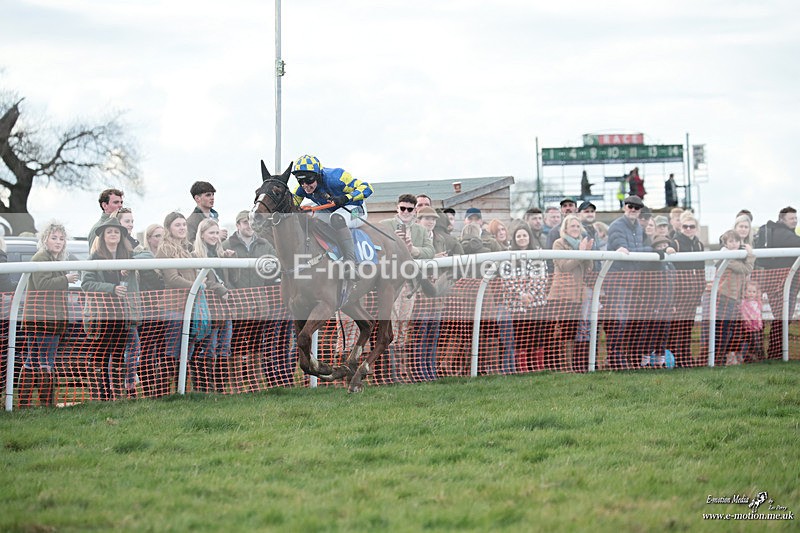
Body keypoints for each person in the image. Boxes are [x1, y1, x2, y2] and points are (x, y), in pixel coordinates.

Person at [223, 210, 292, 389]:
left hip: (259, 302)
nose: (249, 226)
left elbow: (276, 266)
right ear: (238, 225)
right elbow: (223, 274)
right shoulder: (227, 245)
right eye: (245, 222)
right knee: (237, 343)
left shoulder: (265, 244)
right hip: (237, 302)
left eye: (251, 222)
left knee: (255, 342)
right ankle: (236, 382)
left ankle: (254, 380)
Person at [19, 222, 80, 407]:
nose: (58, 242)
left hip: (46, 319)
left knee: (35, 359)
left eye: (61, 239)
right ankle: (44, 404)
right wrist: (66, 279)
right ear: (45, 239)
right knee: (43, 360)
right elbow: (43, 285)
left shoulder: (55, 260)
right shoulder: (41, 258)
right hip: (43, 319)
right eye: (54, 238)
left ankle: (25, 403)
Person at [81, 218, 138, 400]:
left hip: (123, 313)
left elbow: (147, 257)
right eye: (109, 231)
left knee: (120, 354)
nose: (113, 234)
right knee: (102, 355)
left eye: (116, 231)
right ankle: (103, 395)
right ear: (103, 236)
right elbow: (87, 283)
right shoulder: (95, 257)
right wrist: (111, 288)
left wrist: (128, 269)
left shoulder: (128, 257)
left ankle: (118, 394)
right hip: (102, 314)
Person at [291, 155, 373, 279]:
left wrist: (346, 197)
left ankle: (351, 263)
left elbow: (368, 188)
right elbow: (291, 205)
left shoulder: (336, 177)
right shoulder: (301, 189)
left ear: (318, 175)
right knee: (309, 218)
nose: (305, 185)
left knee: (337, 218)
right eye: (300, 181)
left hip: (357, 211)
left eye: (308, 180)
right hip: (330, 211)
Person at [605, 195, 652, 369]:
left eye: (636, 208)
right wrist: (652, 250)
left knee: (627, 320)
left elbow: (635, 250)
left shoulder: (639, 227)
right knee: (619, 320)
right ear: (625, 207)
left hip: (632, 281)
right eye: (630, 206)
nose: (633, 210)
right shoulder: (617, 226)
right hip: (618, 281)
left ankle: (621, 356)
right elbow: (625, 251)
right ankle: (614, 357)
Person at [548, 215, 593, 372]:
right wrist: (580, 253)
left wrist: (587, 253)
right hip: (562, 293)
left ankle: (571, 366)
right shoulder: (559, 243)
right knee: (562, 331)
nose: (575, 229)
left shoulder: (581, 244)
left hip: (577, 294)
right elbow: (564, 266)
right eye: (572, 226)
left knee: (573, 331)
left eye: (577, 226)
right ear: (565, 229)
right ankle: (561, 366)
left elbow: (589, 268)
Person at [192, 218, 233, 392]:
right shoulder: (195, 255)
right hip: (208, 307)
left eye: (217, 233)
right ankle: (203, 387)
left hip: (225, 307)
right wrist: (219, 288)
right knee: (209, 347)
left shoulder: (221, 253)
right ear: (202, 235)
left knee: (224, 347)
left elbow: (232, 280)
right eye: (211, 233)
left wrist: (232, 260)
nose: (215, 236)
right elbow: (202, 281)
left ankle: (221, 388)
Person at [758, 207, 800, 359]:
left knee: (783, 318)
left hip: (783, 282)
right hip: (780, 284)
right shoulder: (783, 234)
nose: (795, 221)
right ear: (782, 219)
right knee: (783, 318)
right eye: (791, 218)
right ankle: (775, 352)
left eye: (796, 218)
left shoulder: (783, 232)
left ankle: (777, 352)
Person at [668, 211, 706, 367]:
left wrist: (700, 289)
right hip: (679, 291)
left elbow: (701, 269)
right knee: (676, 326)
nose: (688, 229)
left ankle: (686, 356)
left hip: (693, 290)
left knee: (688, 326)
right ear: (680, 227)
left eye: (692, 226)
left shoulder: (699, 244)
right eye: (685, 226)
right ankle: (675, 357)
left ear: (696, 228)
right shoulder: (675, 242)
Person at [716, 230, 755, 365]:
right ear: (726, 243)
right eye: (731, 241)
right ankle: (719, 358)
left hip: (733, 297)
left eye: (736, 241)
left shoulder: (738, 255)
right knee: (723, 329)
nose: (734, 244)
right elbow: (746, 269)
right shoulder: (728, 256)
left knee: (730, 328)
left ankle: (727, 357)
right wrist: (751, 255)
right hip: (725, 297)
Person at [639, 235, 676, 367]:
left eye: (665, 246)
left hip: (667, 304)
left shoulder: (671, 265)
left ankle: (660, 360)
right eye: (659, 247)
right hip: (654, 304)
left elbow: (673, 286)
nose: (663, 249)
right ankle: (646, 359)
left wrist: (672, 303)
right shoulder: (653, 264)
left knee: (664, 332)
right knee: (651, 331)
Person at [739, 280, 764, 362]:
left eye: (753, 292)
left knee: (757, 342)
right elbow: (743, 313)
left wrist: (759, 324)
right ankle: (746, 357)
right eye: (749, 291)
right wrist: (747, 321)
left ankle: (758, 357)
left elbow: (759, 314)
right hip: (747, 327)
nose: (751, 293)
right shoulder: (743, 303)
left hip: (756, 327)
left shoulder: (758, 303)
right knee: (747, 342)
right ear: (745, 292)